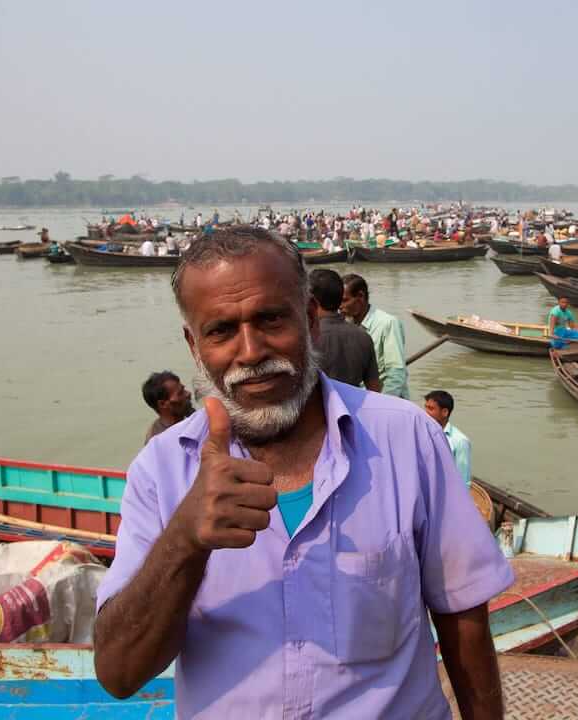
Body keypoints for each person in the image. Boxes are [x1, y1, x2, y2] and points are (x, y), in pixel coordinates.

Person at [93, 229, 511, 719]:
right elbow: (119, 674)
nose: (250, 352)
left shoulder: (407, 438)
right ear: (194, 346)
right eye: (221, 331)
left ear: (311, 320)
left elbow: (462, 617)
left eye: (270, 319)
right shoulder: (160, 470)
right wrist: (186, 539)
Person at [309, 269, 381, 392]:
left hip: (319, 410)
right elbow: (374, 389)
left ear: (311, 301)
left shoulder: (307, 338)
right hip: (353, 409)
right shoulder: (363, 337)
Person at [341, 274, 410, 399]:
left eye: (344, 300)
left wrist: (381, 404)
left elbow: (396, 373)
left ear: (360, 297)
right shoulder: (346, 326)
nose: (340, 306)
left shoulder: (387, 323)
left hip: (386, 401)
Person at [424, 390, 471, 487]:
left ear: (445, 412)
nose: (426, 413)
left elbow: (463, 479)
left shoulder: (460, 441)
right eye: (426, 408)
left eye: (431, 409)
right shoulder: (423, 433)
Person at [141, 371, 194, 443]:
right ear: (163, 404)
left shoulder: (188, 414)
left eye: (184, 389)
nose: (188, 393)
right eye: (180, 393)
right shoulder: (159, 441)